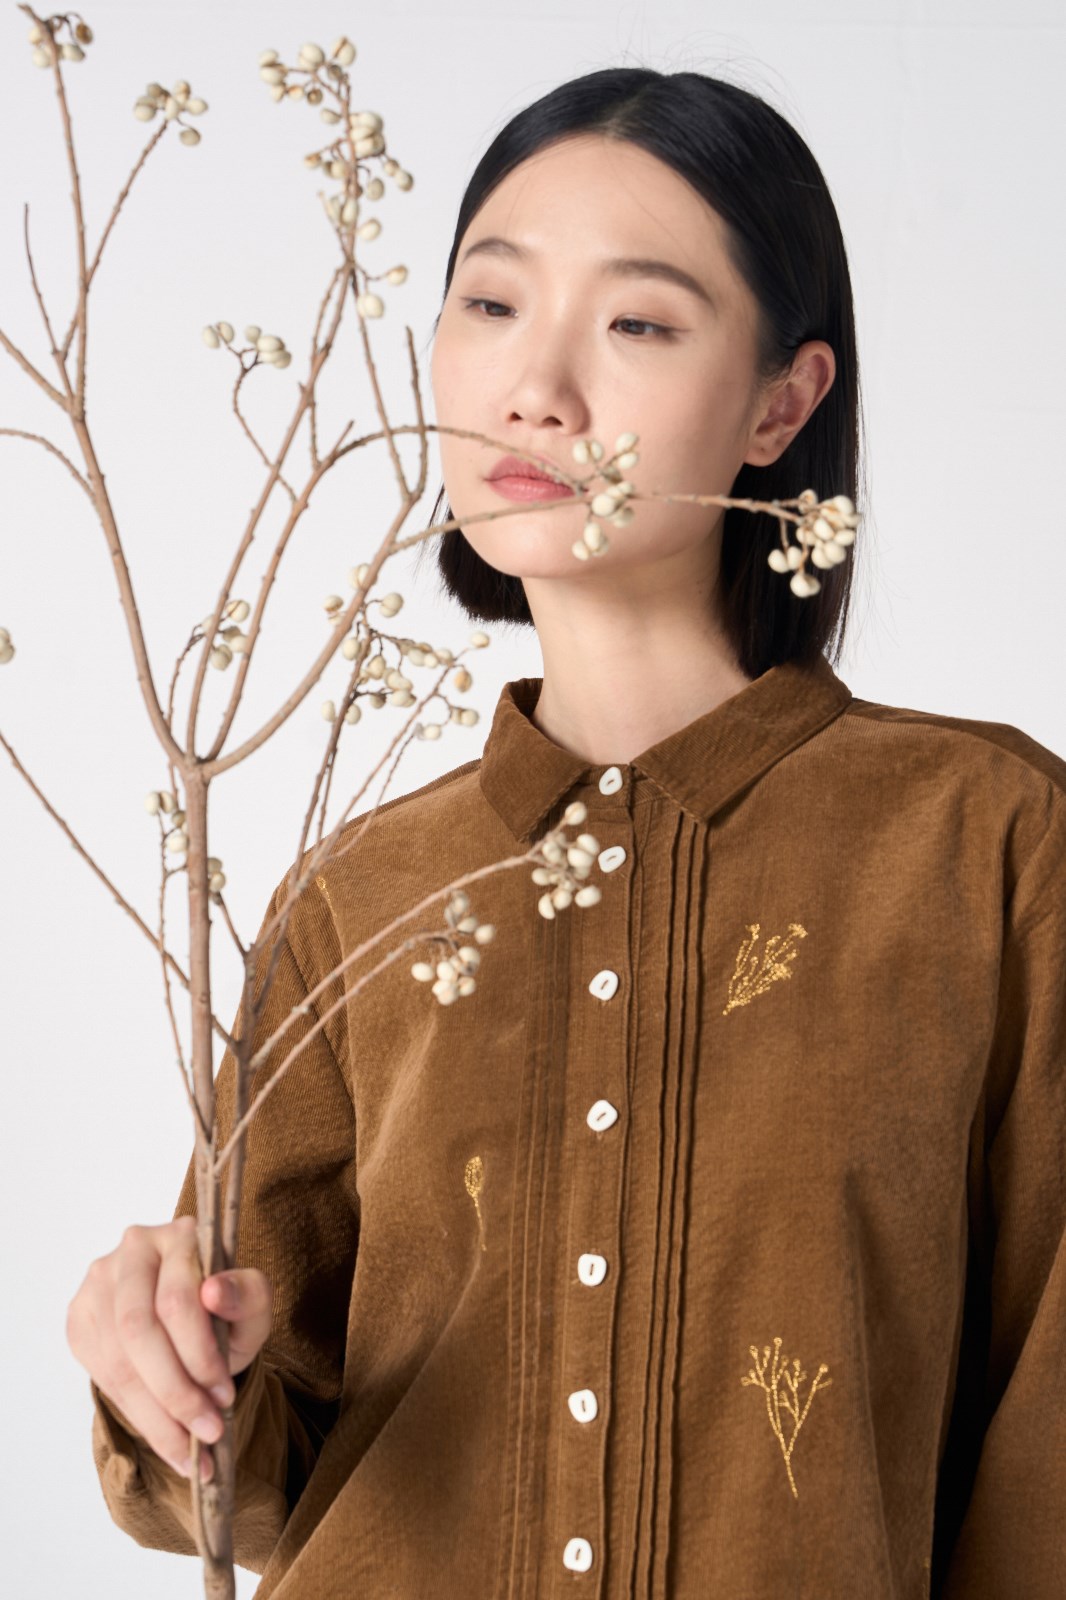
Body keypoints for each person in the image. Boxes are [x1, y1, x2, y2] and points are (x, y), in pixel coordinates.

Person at [68, 65, 1066, 1597]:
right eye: (490, 304)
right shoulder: (359, 895)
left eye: (638, 324)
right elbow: (255, 1494)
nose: (535, 386)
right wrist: (163, 1360)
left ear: (781, 405)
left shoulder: (984, 846)